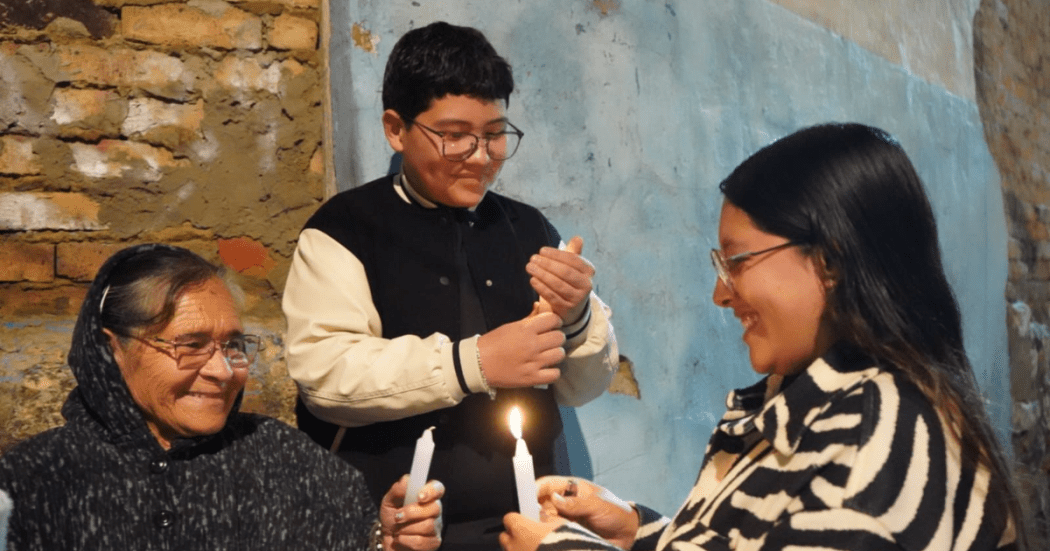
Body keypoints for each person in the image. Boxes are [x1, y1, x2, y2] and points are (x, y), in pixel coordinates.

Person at [500, 123, 1025, 551]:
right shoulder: (809, 401)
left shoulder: (878, 431)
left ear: (831, 259)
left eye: (737, 263)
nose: (720, 295)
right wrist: (639, 532)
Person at [282, 21, 618, 550]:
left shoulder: (531, 228)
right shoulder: (345, 227)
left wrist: (576, 316)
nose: (482, 156)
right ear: (396, 129)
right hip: (393, 528)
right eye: (456, 135)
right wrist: (474, 363)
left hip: (527, 527)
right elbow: (324, 374)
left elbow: (583, 385)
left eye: (494, 134)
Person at [0, 244, 444, 551]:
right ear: (111, 349)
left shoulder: (289, 462)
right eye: (190, 344)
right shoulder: (30, 482)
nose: (222, 370)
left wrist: (384, 542)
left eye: (233, 345)